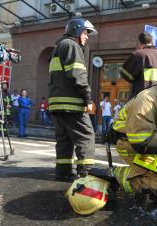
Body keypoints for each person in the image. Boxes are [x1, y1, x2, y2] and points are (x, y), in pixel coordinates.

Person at [48, 18, 98, 181]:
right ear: (76, 30)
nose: (87, 37)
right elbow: (78, 75)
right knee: (86, 136)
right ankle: (85, 173)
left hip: (57, 103)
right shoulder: (71, 45)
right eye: (85, 32)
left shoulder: (58, 46)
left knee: (64, 139)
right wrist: (87, 98)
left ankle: (63, 172)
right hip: (71, 103)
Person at [121, 31, 157, 100]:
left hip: (142, 101)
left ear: (139, 43)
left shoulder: (137, 55)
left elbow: (125, 74)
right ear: (152, 42)